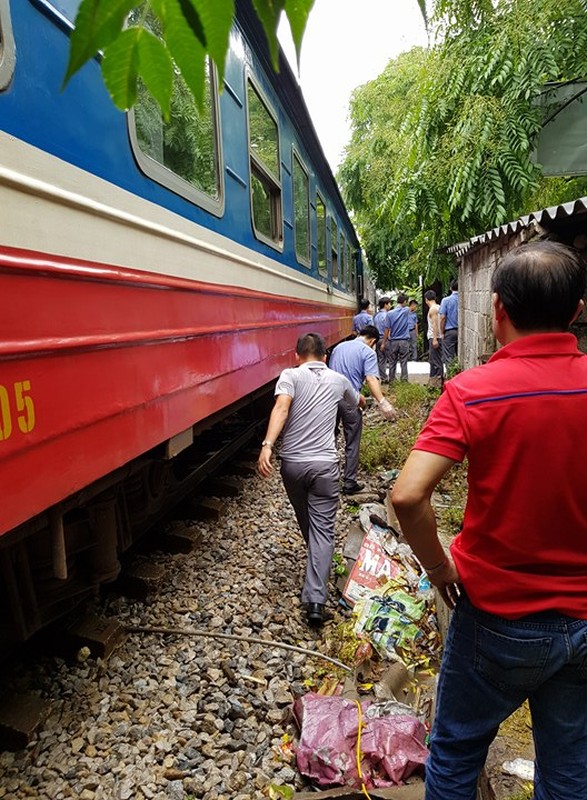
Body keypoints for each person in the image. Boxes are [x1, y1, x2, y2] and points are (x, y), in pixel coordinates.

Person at [391, 241, 587, 800]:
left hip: (498, 617)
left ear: (496, 309)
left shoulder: (473, 391)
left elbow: (407, 496)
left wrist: (438, 570)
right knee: (570, 769)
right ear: (576, 312)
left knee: (454, 756)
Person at [257, 333, 365, 627]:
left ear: (297, 356)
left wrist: (267, 445)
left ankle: (317, 563)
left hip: (292, 466)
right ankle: (316, 600)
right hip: (325, 468)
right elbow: (357, 402)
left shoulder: (289, 375)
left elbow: (281, 408)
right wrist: (364, 400)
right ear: (325, 357)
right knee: (323, 529)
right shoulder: (339, 380)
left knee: (309, 520)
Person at [329, 325, 396, 495]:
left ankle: (330, 478)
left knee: (330, 438)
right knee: (352, 440)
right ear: (373, 341)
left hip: (329, 398)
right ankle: (349, 482)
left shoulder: (339, 347)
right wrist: (382, 401)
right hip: (350, 400)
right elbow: (371, 379)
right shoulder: (368, 352)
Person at [381, 293, 410, 382]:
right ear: (404, 302)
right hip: (404, 341)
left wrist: (384, 342)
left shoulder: (389, 314)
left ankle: (392, 381)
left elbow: (387, 329)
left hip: (393, 341)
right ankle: (404, 380)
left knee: (392, 362)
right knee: (404, 361)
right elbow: (412, 308)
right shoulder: (406, 311)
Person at [424, 290, 443, 387]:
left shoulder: (433, 309)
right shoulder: (439, 307)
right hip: (438, 336)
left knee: (435, 361)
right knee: (435, 360)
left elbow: (435, 324)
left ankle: (436, 383)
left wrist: (435, 338)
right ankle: (434, 382)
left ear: (426, 300)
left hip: (434, 337)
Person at [439, 279, 458, 366]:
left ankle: (451, 376)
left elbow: (442, 317)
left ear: (450, 288)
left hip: (450, 331)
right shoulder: (463, 298)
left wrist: (442, 332)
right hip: (462, 331)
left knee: (449, 357)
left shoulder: (446, 300)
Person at [373, 296, 392, 381]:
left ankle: (383, 377)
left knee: (381, 360)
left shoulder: (376, 316)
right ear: (385, 305)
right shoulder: (387, 315)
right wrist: (385, 341)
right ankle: (391, 378)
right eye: (389, 304)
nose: (390, 306)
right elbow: (387, 329)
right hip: (385, 339)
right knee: (391, 359)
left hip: (377, 339)